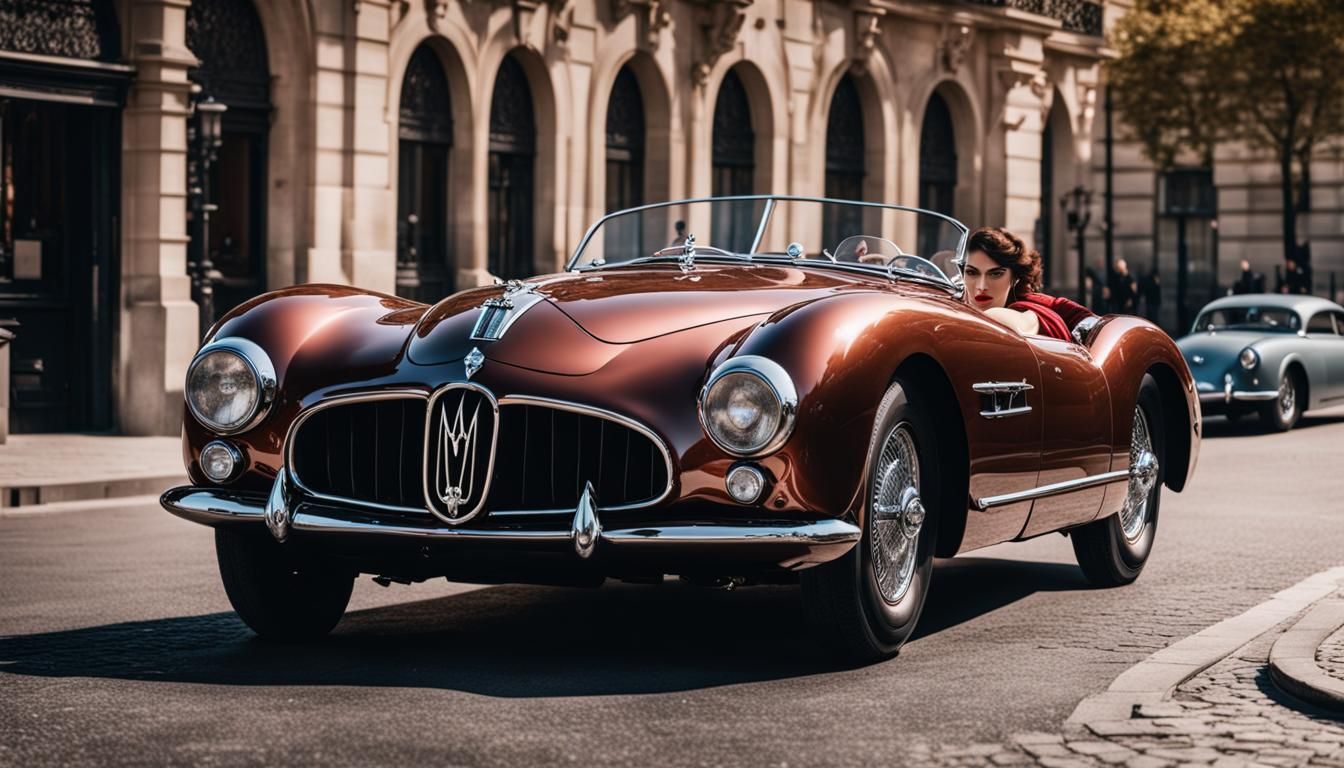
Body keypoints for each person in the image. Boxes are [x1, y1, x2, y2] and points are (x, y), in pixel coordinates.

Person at [962, 227, 1095, 341]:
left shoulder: (1027, 309)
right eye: (972, 272)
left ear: (1014, 278)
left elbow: (1024, 322)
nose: (981, 286)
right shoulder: (955, 301)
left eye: (995, 274)